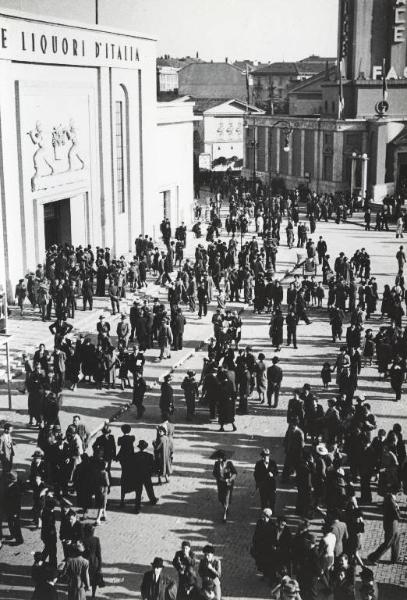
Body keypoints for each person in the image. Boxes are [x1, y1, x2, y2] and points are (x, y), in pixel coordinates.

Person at [367, 491, 401, 565]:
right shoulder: (391, 501)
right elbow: (397, 515)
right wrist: (398, 509)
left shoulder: (389, 499)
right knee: (388, 543)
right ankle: (373, 558)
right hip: (391, 525)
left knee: (396, 539)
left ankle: (395, 558)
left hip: (391, 524)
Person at [132, 440, 158, 513]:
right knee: (149, 488)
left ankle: (137, 507)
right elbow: (153, 466)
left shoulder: (135, 455)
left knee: (138, 491)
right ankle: (153, 500)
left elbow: (133, 467)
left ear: (139, 448)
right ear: (146, 447)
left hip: (138, 475)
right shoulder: (149, 456)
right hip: (146, 475)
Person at [212, 449, 237, 522]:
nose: (218, 459)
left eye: (220, 457)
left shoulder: (229, 463)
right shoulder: (216, 464)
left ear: (223, 457)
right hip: (220, 483)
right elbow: (214, 473)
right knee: (221, 498)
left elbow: (235, 473)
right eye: (218, 458)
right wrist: (218, 477)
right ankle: (225, 507)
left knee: (227, 497)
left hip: (228, 484)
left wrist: (230, 479)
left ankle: (225, 515)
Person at [83, 523, 103, 599]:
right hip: (94, 562)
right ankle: (93, 595)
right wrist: (100, 566)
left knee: (84, 577)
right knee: (94, 580)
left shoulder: (83, 540)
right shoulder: (96, 539)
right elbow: (99, 554)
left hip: (85, 561)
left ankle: (83, 593)